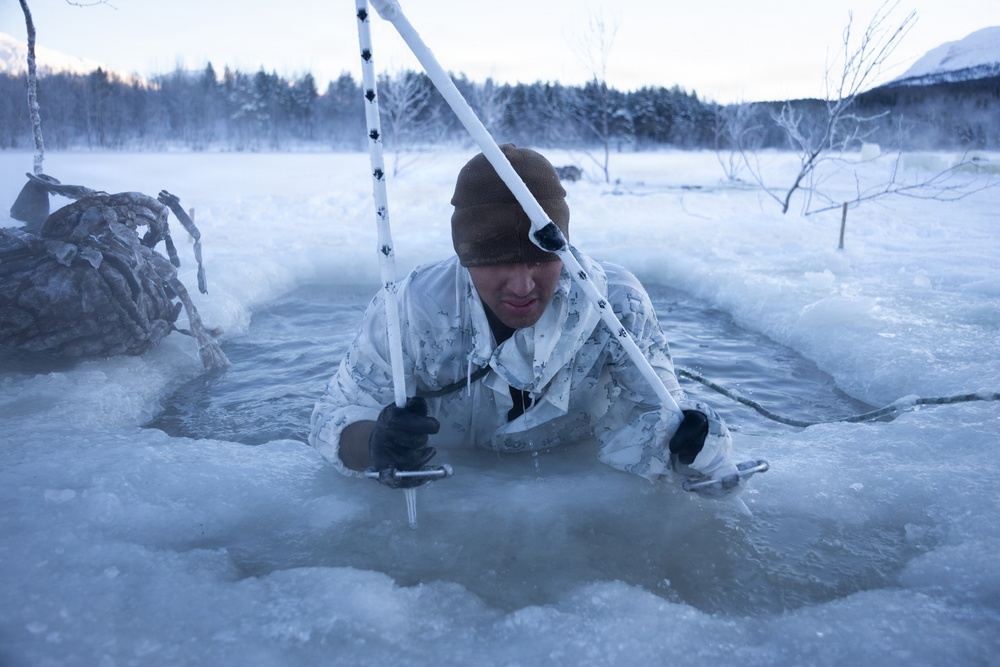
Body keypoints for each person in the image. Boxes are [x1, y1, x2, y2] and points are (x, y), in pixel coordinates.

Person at [309, 144, 740, 497]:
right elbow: (332, 416)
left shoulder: (616, 305)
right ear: (466, 257)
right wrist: (372, 443)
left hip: (571, 496)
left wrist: (693, 444)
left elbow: (658, 411)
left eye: (541, 259)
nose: (522, 285)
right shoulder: (409, 309)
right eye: (496, 262)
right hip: (457, 496)